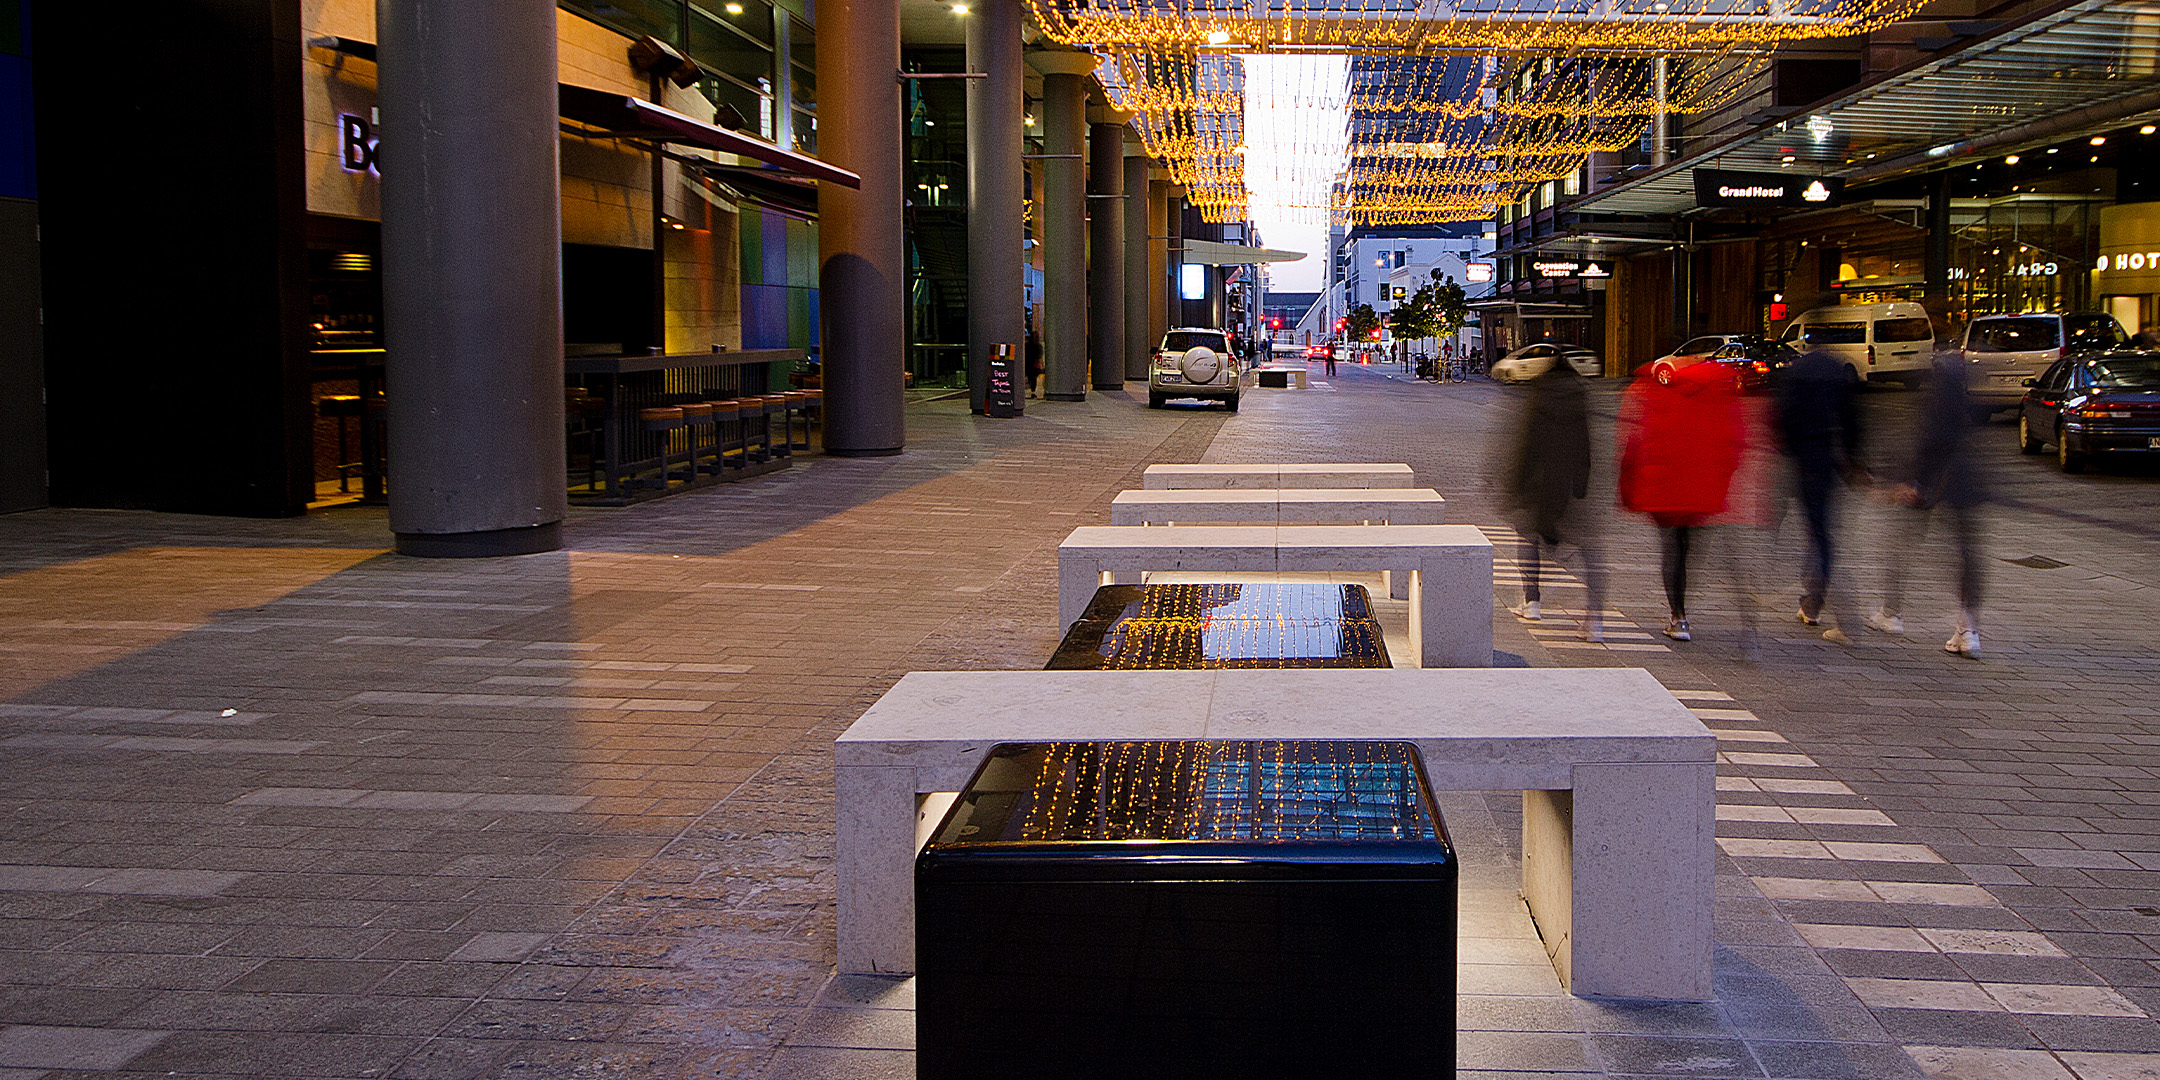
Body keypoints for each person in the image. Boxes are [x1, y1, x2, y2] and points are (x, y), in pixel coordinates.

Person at [1866, 345, 1987, 656]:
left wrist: (1911, 480)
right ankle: (1968, 630)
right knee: (1965, 555)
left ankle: (1891, 613)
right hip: (1963, 482)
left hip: (1931, 481)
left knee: (1903, 544)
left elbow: (1928, 442)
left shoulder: (1936, 402)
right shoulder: (1964, 403)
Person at [1618, 357, 1745, 641]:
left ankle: (1679, 616)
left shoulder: (1650, 390)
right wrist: (1722, 475)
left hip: (1664, 487)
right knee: (1685, 547)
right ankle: (1681, 604)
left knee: (1671, 547)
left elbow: (1634, 441)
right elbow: (1734, 439)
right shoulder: (1713, 390)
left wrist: (1628, 484)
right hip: (1699, 489)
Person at [1505, 355, 1606, 641]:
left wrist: (1517, 484)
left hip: (1540, 485)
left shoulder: (1538, 396)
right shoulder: (1579, 398)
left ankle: (1532, 601)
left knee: (1528, 537)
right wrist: (1581, 485)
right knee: (1588, 550)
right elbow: (1584, 445)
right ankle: (1595, 619)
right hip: (1568, 484)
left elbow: (1528, 445)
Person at [1775, 342, 1867, 638]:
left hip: (1805, 457)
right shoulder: (1837, 369)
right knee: (1822, 529)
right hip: (1829, 457)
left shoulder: (1798, 371)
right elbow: (1852, 418)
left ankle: (1819, 604)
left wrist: (1788, 450)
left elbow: (1784, 415)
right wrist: (1852, 459)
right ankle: (1812, 601)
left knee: (1817, 532)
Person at [1024, 328, 1045, 399]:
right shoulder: (1038, 346)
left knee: (1030, 377)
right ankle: (1033, 391)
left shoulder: (1026, 345)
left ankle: (1032, 390)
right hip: (1034, 364)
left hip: (1027, 363)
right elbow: (1039, 355)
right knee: (1034, 378)